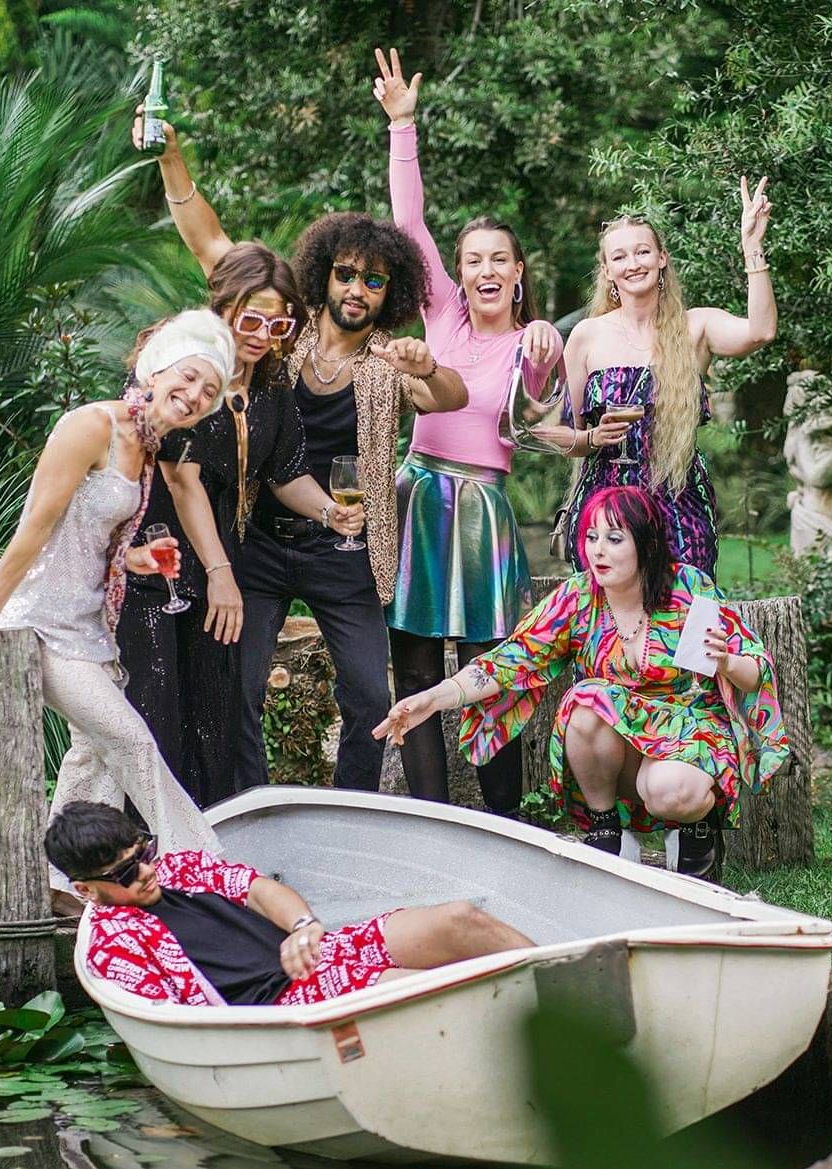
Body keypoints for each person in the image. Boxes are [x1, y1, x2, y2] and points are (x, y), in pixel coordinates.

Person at [135, 109, 469, 792]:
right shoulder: (282, 334)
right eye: (346, 274)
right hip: (256, 538)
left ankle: (350, 813)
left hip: (344, 549)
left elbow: (451, 398)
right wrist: (171, 159)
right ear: (327, 275)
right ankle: (254, 811)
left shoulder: (387, 361)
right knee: (239, 687)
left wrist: (424, 364)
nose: (357, 289)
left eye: (374, 281)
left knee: (370, 699)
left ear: (390, 292)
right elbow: (213, 247)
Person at [0, 310, 236, 894]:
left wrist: (134, 561)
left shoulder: (148, 450)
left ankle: (63, 878)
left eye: (210, 390)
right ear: (155, 371)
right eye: (189, 377)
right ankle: (207, 865)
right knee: (128, 740)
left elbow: (90, 537)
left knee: (91, 754)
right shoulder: (91, 426)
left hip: (86, 623)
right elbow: (35, 526)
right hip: (35, 618)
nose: (196, 395)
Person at [373, 486, 790, 883]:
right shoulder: (577, 597)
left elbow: (756, 670)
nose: (598, 550)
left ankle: (695, 828)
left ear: (646, 544)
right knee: (587, 700)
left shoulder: (688, 589)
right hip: (621, 744)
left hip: (687, 732)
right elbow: (508, 662)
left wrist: (726, 661)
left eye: (613, 538)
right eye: (591, 537)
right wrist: (431, 698)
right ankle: (606, 828)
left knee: (670, 792)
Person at [372, 47, 566, 815]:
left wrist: (545, 343)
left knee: (490, 671)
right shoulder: (443, 313)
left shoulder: (534, 342)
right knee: (414, 668)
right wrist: (403, 126)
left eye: (499, 259)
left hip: (483, 512)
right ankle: (430, 821)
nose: (485, 268)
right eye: (472, 259)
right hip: (417, 498)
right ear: (456, 273)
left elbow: (539, 399)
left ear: (519, 272)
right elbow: (408, 220)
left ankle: (503, 821)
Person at [116, 243, 365, 807]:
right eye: (251, 318)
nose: (263, 334)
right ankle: (143, 858)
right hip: (159, 554)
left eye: (279, 324)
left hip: (218, 553)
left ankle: (207, 849)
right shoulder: (183, 370)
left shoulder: (272, 387)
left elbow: (287, 473)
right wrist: (221, 573)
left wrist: (331, 511)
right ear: (222, 306)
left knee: (213, 713)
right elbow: (183, 479)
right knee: (156, 711)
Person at [48, 801, 534, 1006]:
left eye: (144, 852)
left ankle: (581, 987)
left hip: (322, 953)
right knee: (443, 993)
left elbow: (258, 888)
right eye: (127, 872)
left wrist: (303, 925)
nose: (147, 870)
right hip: (279, 1001)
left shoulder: (178, 869)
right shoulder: (113, 943)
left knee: (460, 918)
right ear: (85, 889)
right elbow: (169, 1018)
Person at [557, 190, 776, 577]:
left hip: (679, 505)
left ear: (662, 260)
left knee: (683, 622)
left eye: (642, 252)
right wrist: (594, 439)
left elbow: (761, 331)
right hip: (605, 513)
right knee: (611, 630)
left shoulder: (696, 326)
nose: (633, 264)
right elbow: (566, 438)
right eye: (619, 257)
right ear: (607, 270)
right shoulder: (587, 336)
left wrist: (752, 248)